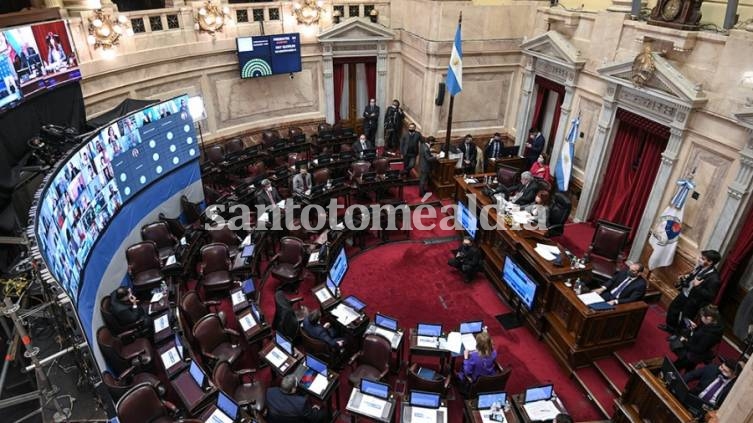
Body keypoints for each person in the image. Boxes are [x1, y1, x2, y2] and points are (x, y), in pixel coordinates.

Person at [660, 250, 722, 334]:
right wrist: (686, 278)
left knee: (685, 318)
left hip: (693, 301)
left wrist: (698, 286)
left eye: (702, 258)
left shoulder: (714, 279)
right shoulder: (701, 267)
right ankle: (670, 328)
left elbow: (710, 296)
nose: (699, 259)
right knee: (673, 309)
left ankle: (678, 336)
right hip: (685, 294)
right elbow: (693, 277)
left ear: (710, 262)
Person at [671, 305, 724, 372]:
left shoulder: (710, 335)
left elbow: (699, 349)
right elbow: (702, 330)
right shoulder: (714, 323)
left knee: (674, 368)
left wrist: (684, 342)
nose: (701, 318)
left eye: (702, 317)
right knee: (689, 369)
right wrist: (696, 328)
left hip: (693, 355)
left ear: (708, 318)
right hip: (695, 353)